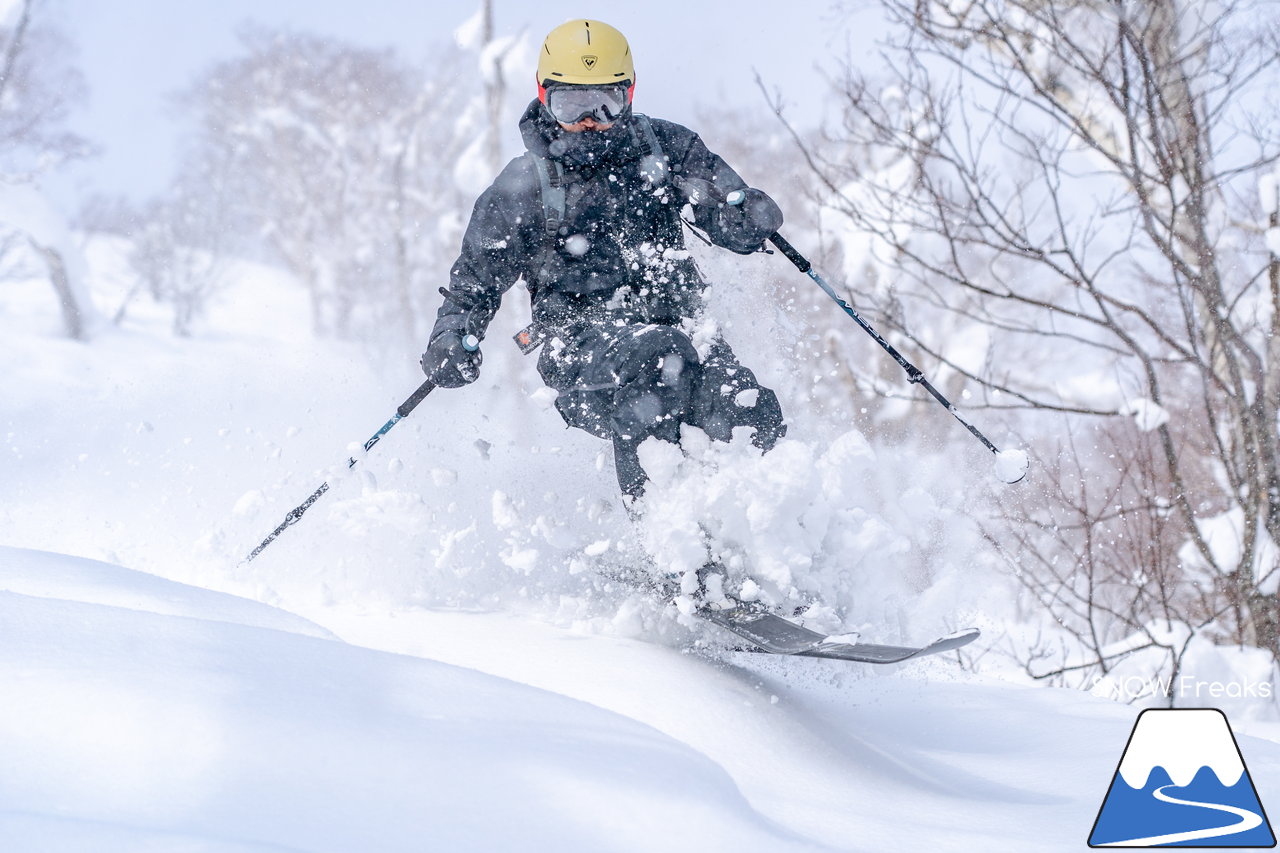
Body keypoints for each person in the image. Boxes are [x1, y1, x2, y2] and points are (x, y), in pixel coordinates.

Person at [421, 18, 786, 501]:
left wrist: (747, 216)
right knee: (661, 358)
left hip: (682, 331)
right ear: (543, 96)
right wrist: (453, 336)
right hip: (577, 344)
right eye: (571, 104)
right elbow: (476, 280)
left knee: (747, 406)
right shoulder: (525, 185)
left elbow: (727, 215)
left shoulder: (666, 149)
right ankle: (667, 548)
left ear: (629, 95)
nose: (589, 120)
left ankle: (760, 541)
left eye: (605, 103)